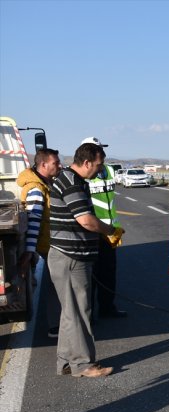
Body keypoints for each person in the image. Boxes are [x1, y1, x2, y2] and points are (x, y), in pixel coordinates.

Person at [48, 142, 124, 378]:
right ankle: (83, 364)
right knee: (80, 311)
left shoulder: (72, 180)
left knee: (70, 312)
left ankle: (66, 361)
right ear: (87, 162)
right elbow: (86, 220)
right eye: (99, 165)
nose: (100, 170)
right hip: (71, 258)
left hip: (69, 256)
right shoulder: (72, 182)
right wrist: (109, 230)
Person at [16, 148, 62, 337]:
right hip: (44, 245)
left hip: (44, 244)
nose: (59, 165)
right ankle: (55, 326)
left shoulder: (44, 183)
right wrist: (29, 251)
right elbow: (34, 222)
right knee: (55, 285)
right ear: (43, 165)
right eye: (55, 163)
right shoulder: (36, 189)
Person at [82, 137, 127, 319]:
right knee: (92, 275)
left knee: (109, 273)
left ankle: (108, 307)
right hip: (93, 231)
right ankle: (90, 312)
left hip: (110, 232)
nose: (101, 152)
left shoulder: (108, 170)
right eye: (97, 149)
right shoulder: (84, 175)